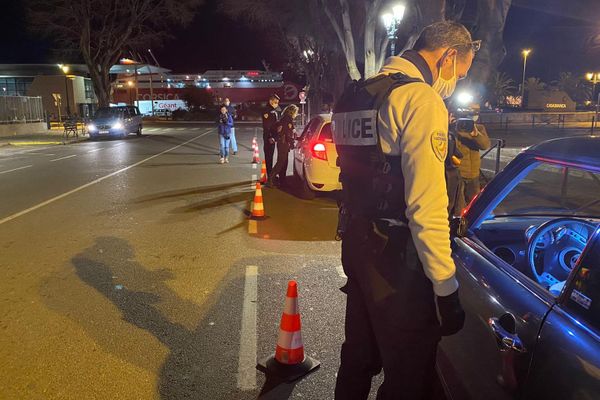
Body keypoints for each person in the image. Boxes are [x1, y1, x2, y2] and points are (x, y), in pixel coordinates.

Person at [332, 21, 478, 399]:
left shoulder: (355, 96)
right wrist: (446, 287)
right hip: (396, 257)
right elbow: (426, 205)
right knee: (409, 372)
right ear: (448, 57)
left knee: (358, 357)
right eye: (459, 73)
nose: (454, 83)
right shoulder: (419, 99)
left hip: (356, 242)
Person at [454, 105, 490, 213]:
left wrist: (475, 135)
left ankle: (473, 225)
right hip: (458, 173)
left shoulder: (479, 128)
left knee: (475, 204)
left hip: (474, 174)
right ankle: (459, 227)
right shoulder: (453, 128)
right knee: (459, 207)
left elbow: (485, 145)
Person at [268, 104, 298, 188]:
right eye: (296, 112)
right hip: (283, 143)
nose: (296, 114)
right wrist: (292, 142)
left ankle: (282, 181)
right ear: (292, 112)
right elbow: (287, 133)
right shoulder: (287, 120)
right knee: (281, 162)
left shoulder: (286, 119)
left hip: (284, 143)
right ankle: (270, 180)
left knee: (284, 163)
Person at [261, 94, 281, 176]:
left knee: (271, 156)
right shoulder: (266, 111)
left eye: (277, 102)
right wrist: (271, 137)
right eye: (275, 102)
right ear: (271, 101)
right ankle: (269, 175)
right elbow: (267, 126)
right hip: (269, 137)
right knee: (269, 157)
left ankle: (270, 174)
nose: (277, 104)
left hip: (274, 137)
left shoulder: (274, 110)